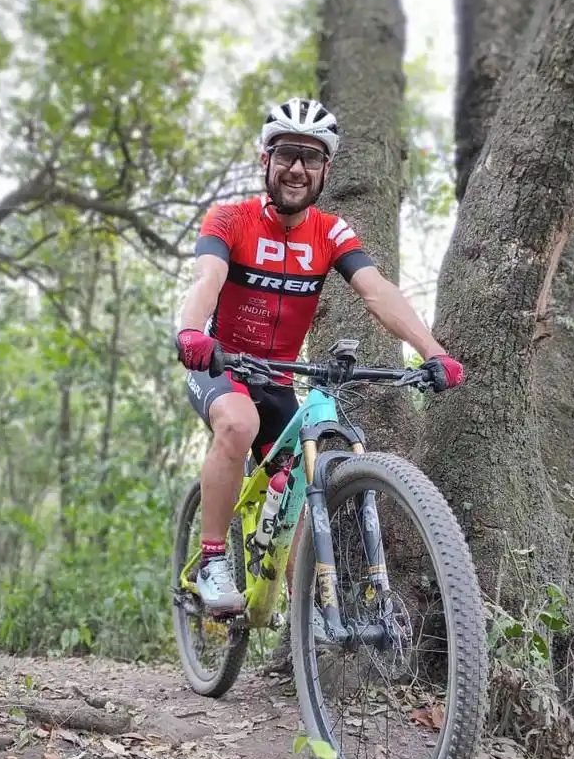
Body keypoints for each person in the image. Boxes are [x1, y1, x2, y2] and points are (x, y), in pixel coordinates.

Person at [176, 97, 464, 617]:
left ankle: (307, 622)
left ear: (326, 169)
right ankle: (213, 560)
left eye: (311, 158)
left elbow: (378, 292)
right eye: (286, 154)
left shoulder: (330, 232)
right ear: (265, 159)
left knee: (305, 482)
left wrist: (433, 352)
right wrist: (191, 333)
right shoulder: (230, 220)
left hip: (281, 379)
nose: (296, 169)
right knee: (238, 425)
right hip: (224, 369)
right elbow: (208, 279)